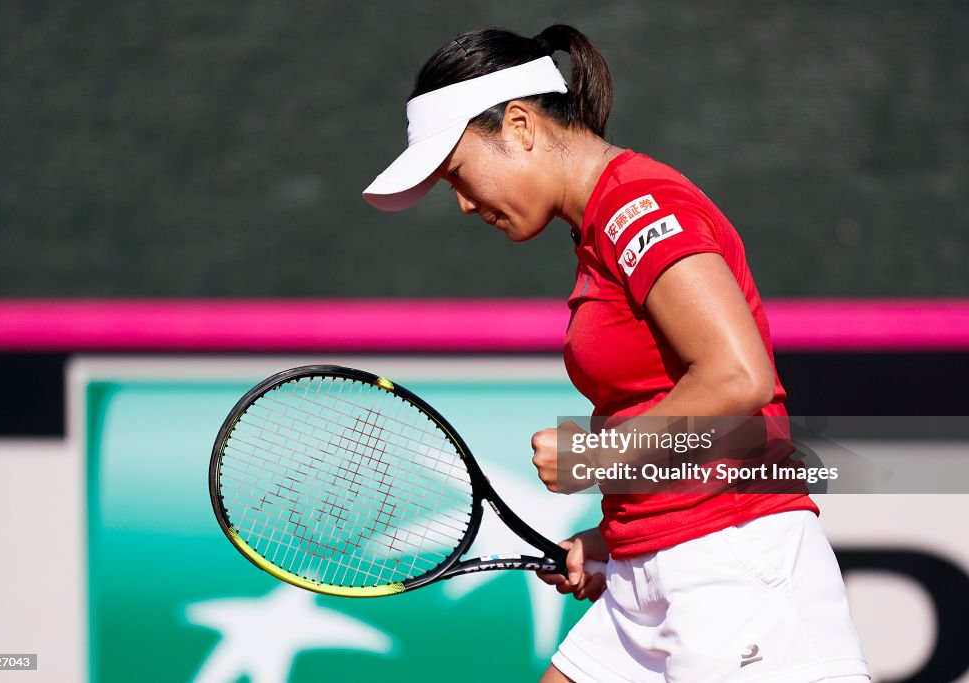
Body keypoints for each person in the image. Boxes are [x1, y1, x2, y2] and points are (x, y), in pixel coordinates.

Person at [364, 24, 870, 683]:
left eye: (458, 173)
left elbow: (738, 378)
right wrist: (615, 536)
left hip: (735, 578)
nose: (461, 203)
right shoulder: (601, 224)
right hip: (653, 573)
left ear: (520, 125)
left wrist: (590, 454)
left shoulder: (638, 205)